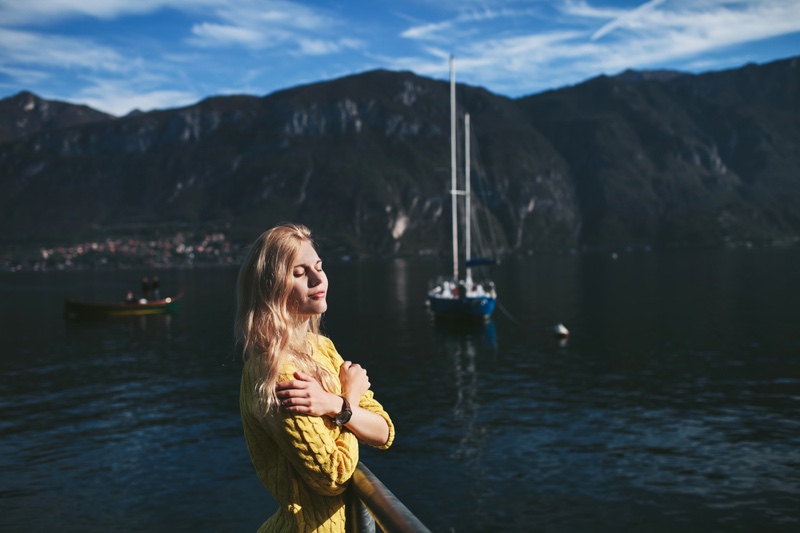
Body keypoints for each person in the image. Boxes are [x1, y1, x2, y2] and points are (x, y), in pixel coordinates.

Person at [235, 223, 394, 533]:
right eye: (299, 273)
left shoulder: (322, 348)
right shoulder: (276, 372)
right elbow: (332, 476)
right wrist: (349, 398)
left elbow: (385, 431)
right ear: (272, 287)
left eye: (319, 267)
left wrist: (335, 405)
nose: (318, 278)